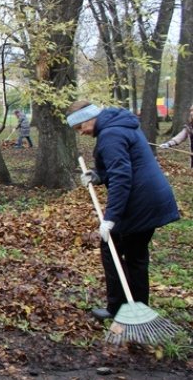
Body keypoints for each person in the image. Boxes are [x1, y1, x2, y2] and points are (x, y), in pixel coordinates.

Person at [66, 101, 179, 321]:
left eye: (81, 127)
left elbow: (122, 178)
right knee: (135, 255)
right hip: (149, 198)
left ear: (89, 118)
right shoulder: (119, 125)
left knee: (112, 249)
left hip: (139, 202)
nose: (82, 133)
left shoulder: (110, 135)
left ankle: (120, 309)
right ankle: (136, 309)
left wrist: (110, 219)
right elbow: (124, 166)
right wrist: (98, 176)